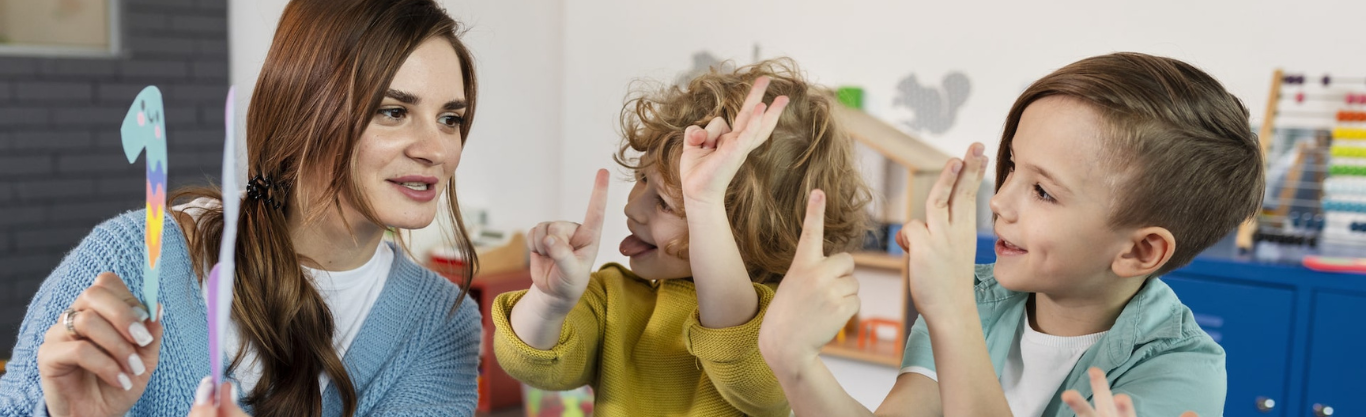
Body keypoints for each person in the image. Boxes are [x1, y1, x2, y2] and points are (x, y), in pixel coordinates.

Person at [0, 0, 483, 415]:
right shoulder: (134, 255)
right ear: (305, 109)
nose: (438, 150)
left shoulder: (441, 325)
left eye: (450, 119)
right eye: (394, 112)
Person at [760, 52, 1263, 417]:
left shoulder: (1181, 372)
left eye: (1043, 191)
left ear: (1140, 249)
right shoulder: (976, 299)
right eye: (1013, 167)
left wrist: (950, 312)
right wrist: (795, 362)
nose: (998, 202)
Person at [490, 59, 873, 416]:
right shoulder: (613, 297)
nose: (633, 209)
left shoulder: (778, 328)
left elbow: (747, 371)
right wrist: (548, 301)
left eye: (664, 203)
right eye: (641, 179)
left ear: (748, 234)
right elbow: (527, 361)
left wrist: (703, 201)